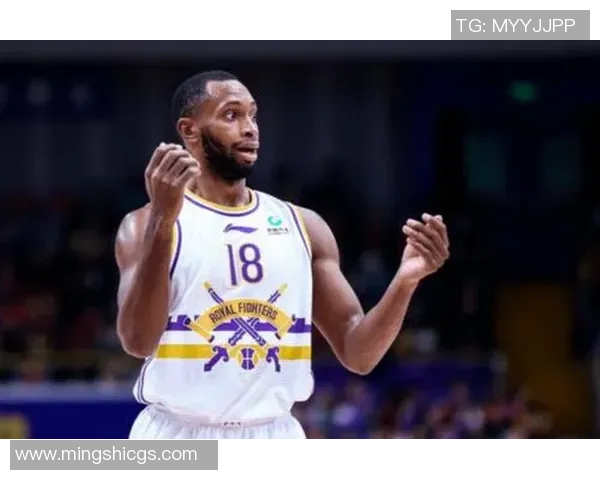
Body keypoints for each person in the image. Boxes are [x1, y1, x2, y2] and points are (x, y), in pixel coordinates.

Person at [114, 70, 450, 440]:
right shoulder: (143, 225)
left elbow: (360, 354)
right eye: (231, 115)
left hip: (274, 434)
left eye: (253, 115)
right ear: (189, 130)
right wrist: (163, 221)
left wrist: (405, 281)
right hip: (176, 433)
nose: (249, 128)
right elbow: (137, 342)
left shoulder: (304, 226)